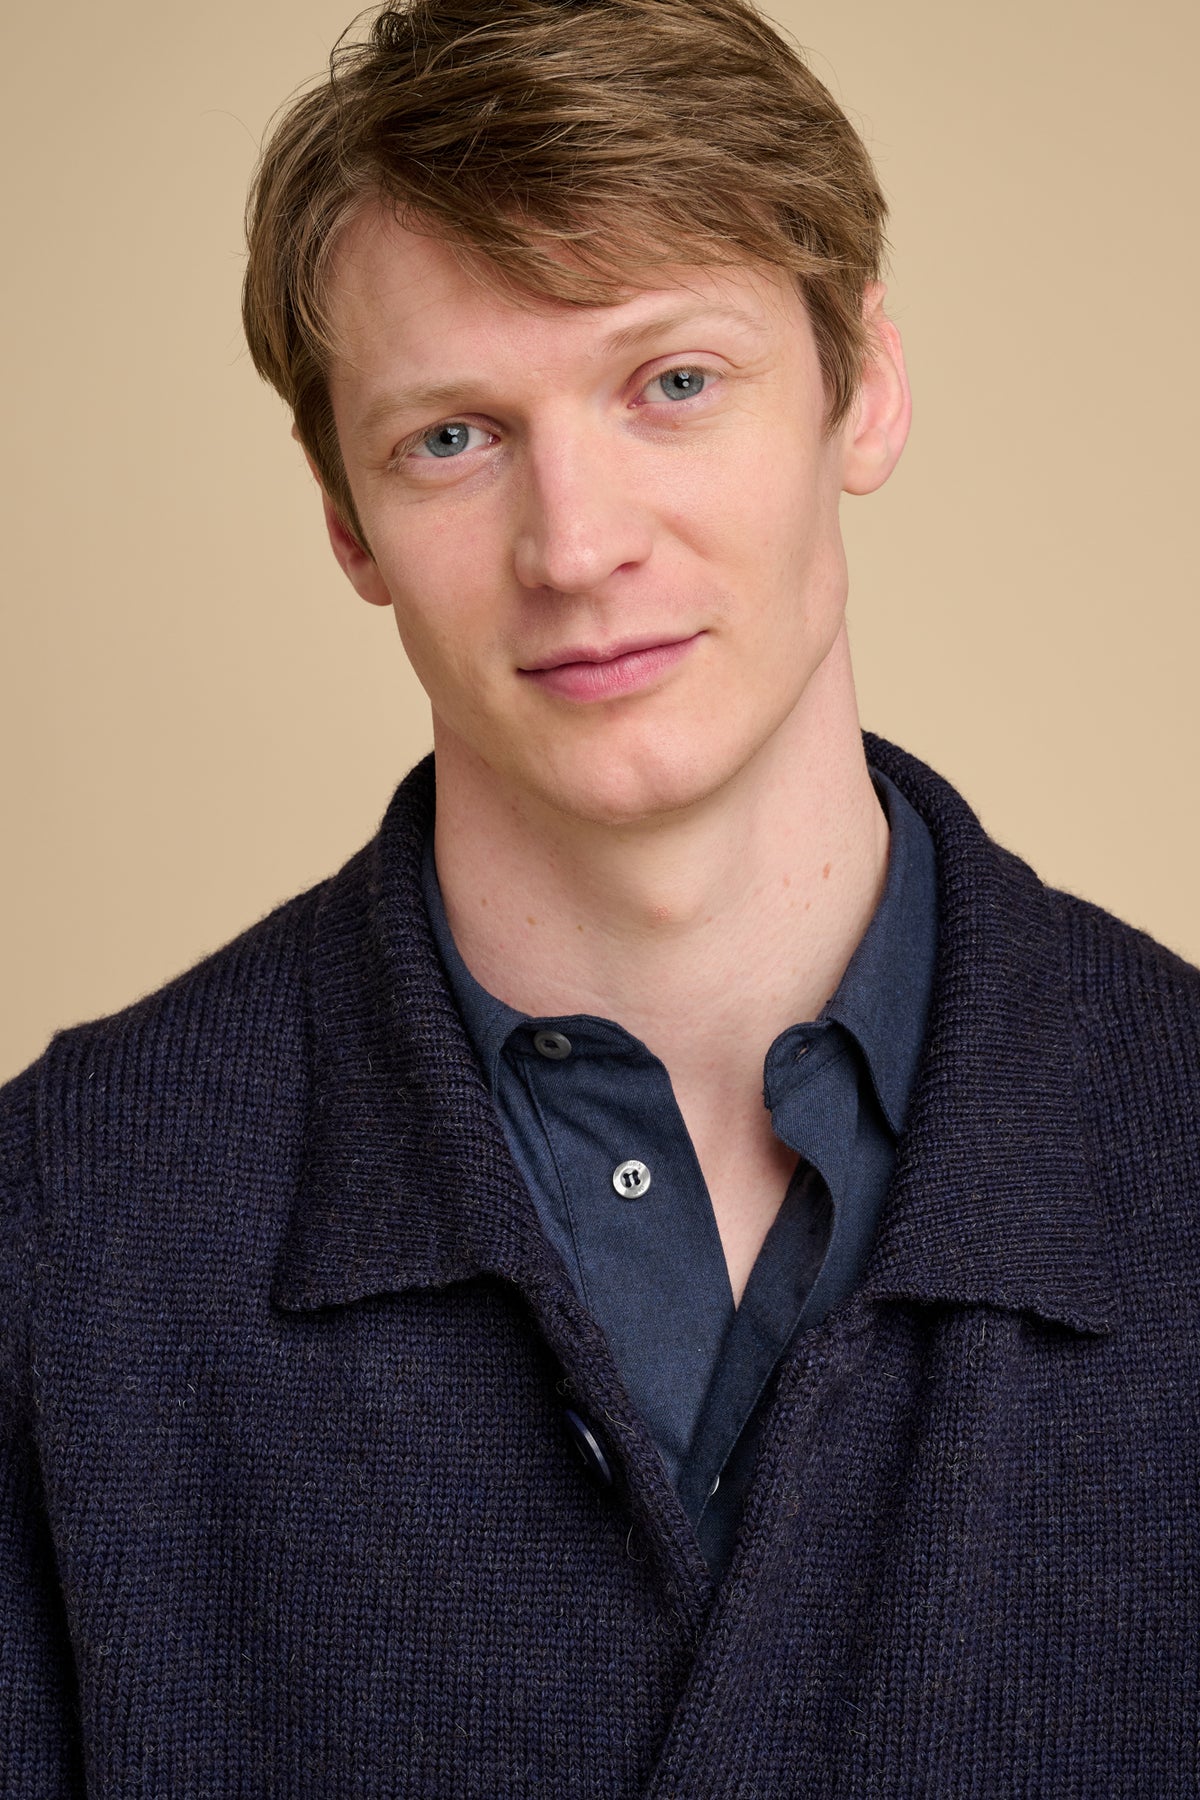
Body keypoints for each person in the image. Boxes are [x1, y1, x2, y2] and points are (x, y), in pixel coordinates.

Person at [2, 0, 1197, 1791]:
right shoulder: (62, 1233)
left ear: (861, 386)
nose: (577, 547)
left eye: (674, 384)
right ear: (346, 520)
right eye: (453, 441)